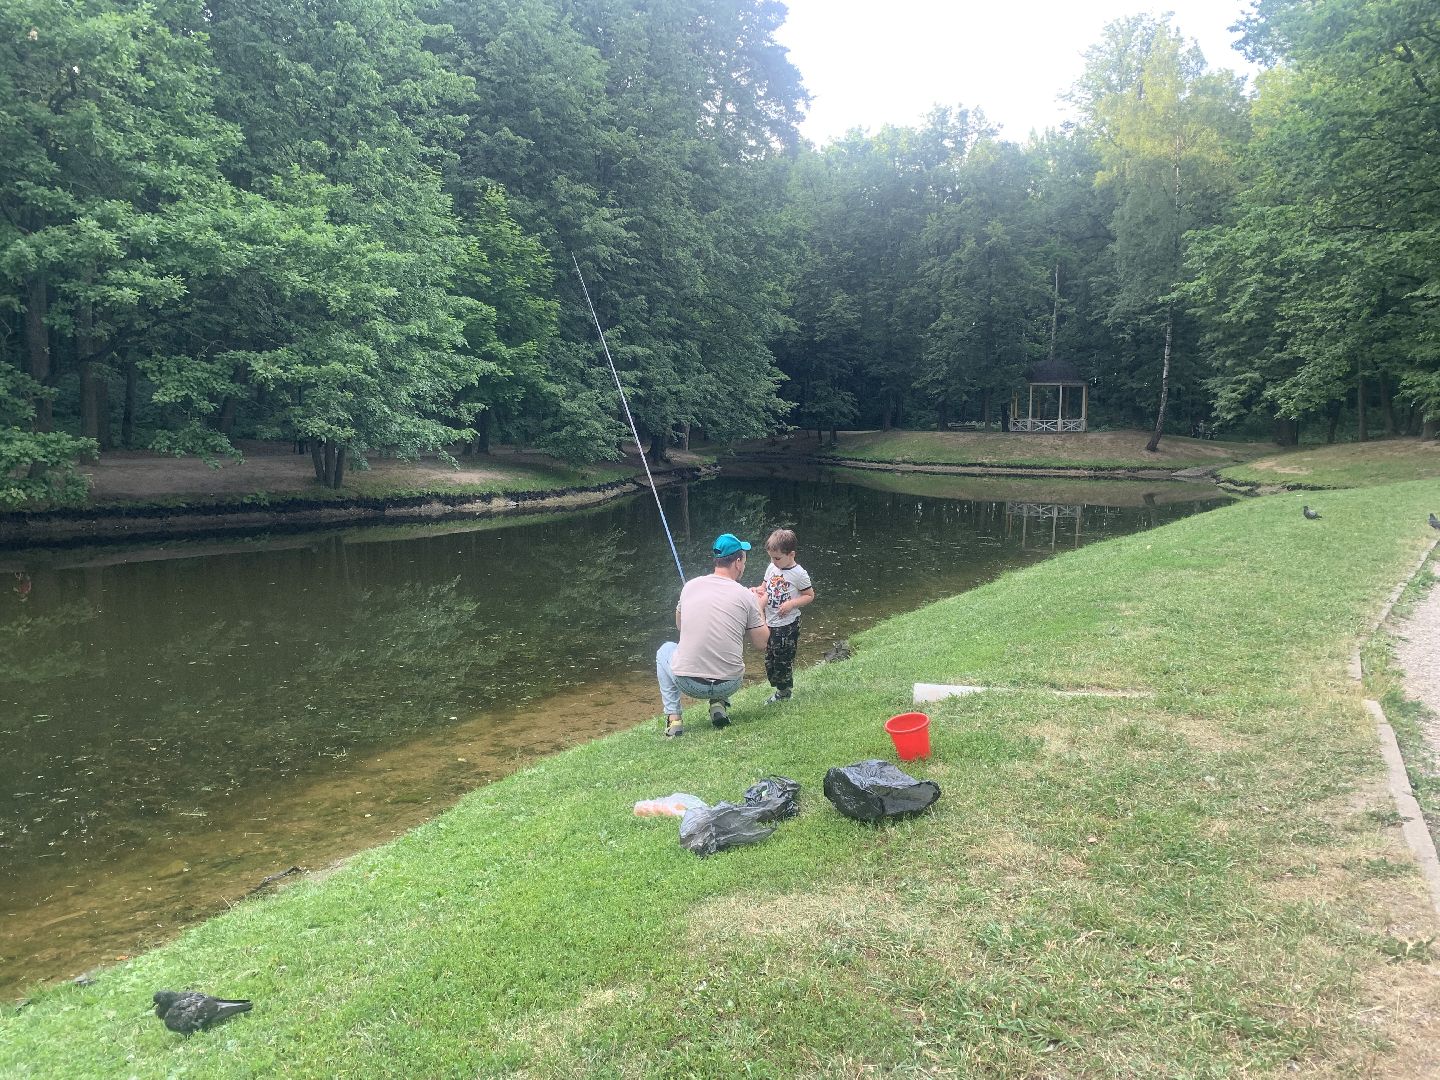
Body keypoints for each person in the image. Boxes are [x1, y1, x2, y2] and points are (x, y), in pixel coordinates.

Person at [655, 533, 769, 738]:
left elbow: (680, 627)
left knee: (665, 649)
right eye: (743, 560)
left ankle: (674, 720)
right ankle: (718, 706)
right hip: (729, 683)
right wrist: (759, 607)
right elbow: (762, 643)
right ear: (737, 562)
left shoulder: (690, 586)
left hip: (689, 684)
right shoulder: (745, 595)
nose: (744, 565)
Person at [752, 528, 814, 703]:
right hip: (770, 621)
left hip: (787, 624)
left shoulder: (799, 574)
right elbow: (764, 587)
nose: (773, 561)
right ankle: (780, 689)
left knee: (783, 658)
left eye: (777, 558)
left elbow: (809, 596)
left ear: (791, 554)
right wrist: (757, 591)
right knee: (770, 659)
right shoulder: (772, 567)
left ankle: (784, 692)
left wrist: (791, 603)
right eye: (771, 557)